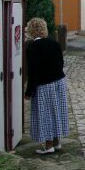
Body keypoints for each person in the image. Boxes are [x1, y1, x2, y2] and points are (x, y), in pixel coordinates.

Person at [24, 18, 69, 155]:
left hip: (44, 85)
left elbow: (33, 72)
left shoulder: (32, 47)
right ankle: (56, 142)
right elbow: (61, 63)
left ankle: (48, 145)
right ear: (44, 28)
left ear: (31, 31)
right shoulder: (54, 43)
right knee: (56, 111)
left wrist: (29, 91)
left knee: (46, 114)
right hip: (59, 83)